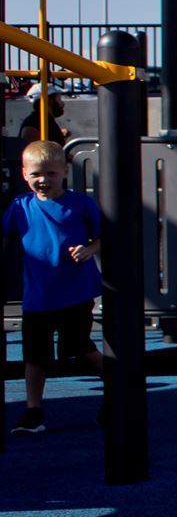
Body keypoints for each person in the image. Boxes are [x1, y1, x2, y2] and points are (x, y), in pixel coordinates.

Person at [6, 140, 103, 435]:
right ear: (24, 174)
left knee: (79, 345)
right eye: (36, 174)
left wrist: (88, 249)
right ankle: (33, 410)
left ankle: (120, 385)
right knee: (35, 355)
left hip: (75, 292)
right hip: (38, 296)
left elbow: (102, 236)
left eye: (50, 173)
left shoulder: (79, 204)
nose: (43, 180)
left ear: (63, 172)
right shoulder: (21, 207)